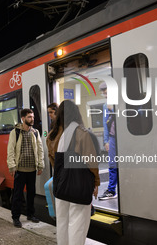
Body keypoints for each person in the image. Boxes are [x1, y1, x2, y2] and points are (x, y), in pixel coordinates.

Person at [46, 100, 100, 245]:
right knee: (78, 224)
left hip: (60, 186)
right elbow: (91, 162)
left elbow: (54, 162)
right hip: (78, 187)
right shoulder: (81, 133)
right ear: (76, 113)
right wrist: (96, 182)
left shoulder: (51, 136)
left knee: (62, 222)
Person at [7, 108, 44, 228]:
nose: (32, 119)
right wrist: (12, 166)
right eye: (29, 117)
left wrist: (40, 165)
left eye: (32, 117)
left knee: (31, 194)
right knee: (17, 195)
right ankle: (16, 217)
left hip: (32, 169)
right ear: (23, 119)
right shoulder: (16, 132)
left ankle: (30, 214)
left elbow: (40, 149)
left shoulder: (35, 132)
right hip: (20, 170)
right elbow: (11, 150)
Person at [98, 82, 118, 200]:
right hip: (112, 138)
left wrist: (114, 108)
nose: (105, 93)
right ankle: (111, 190)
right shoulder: (105, 106)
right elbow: (105, 124)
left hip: (123, 137)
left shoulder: (120, 101)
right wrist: (106, 141)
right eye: (103, 92)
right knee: (112, 164)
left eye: (106, 91)